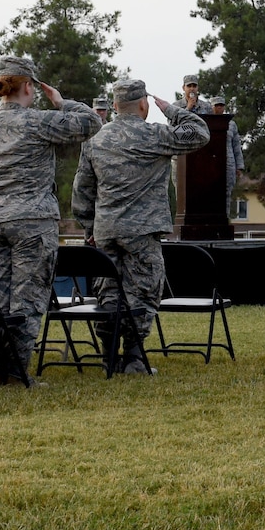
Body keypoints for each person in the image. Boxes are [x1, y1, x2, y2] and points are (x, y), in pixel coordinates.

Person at [0, 57, 102, 385]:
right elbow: (91, 123)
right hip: (32, 221)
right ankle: (17, 371)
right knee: (28, 298)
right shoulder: (40, 121)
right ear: (28, 86)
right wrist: (62, 102)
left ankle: (0, 369)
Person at [72, 77, 209, 368]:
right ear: (144, 105)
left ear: (115, 106)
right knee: (144, 289)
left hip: (106, 230)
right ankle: (133, 355)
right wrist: (172, 110)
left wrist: (89, 228)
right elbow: (200, 133)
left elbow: (82, 191)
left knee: (108, 289)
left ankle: (109, 355)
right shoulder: (155, 136)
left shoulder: (95, 140)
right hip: (142, 231)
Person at [208, 94, 242, 218]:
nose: (219, 108)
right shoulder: (205, 122)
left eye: (221, 106)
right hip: (210, 162)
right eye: (216, 106)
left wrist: (239, 166)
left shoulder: (231, 124)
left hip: (228, 162)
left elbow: (236, 145)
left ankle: (225, 217)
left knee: (227, 192)